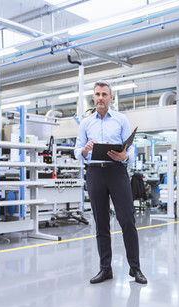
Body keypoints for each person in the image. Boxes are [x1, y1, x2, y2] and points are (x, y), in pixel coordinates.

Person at [74, 80, 147, 284]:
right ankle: (105, 268)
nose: (100, 98)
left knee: (127, 220)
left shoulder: (121, 120)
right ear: (93, 97)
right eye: (97, 94)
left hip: (117, 172)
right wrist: (85, 150)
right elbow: (76, 150)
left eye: (104, 94)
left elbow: (130, 149)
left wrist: (125, 157)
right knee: (101, 224)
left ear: (111, 98)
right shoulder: (86, 123)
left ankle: (135, 268)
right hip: (95, 173)